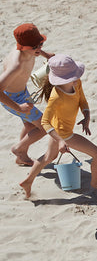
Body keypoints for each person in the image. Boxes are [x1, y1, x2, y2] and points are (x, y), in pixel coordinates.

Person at [19, 55, 97, 198]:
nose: (77, 77)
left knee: (49, 157)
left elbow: (82, 100)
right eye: (73, 75)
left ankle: (28, 181)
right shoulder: (56, 97)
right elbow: (45, 121)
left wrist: (86, 116)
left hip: (58, 131)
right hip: (63, 134)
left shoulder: (77, 83)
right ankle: (96, 182)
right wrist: (61, 140)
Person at [0, 23, 54, 166]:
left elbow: (36, 48)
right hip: (13, 99)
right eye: (35, 47)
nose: (38, 49)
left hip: (23, 92)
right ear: (22, 47)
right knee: (44, 126)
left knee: (30, 126)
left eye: (41, 44)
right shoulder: (16, 65)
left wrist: (45, 54)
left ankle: (21, 156)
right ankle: (18, 149)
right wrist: (18, 107)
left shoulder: (30, 49)